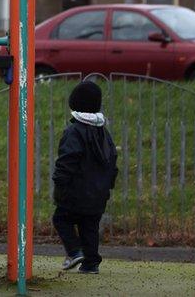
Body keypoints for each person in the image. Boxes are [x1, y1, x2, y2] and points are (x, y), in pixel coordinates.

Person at [52, 81, 118, 274]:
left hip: (76, 191)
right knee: (89, 226)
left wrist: (60, 185)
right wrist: (108, 186)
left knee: (61, 219)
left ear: (75, 104)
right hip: (98, 193)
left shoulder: (74, 131)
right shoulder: (103, 132)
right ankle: (91, 263)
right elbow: (112, 159)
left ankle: (74, 252)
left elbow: (67, 161)